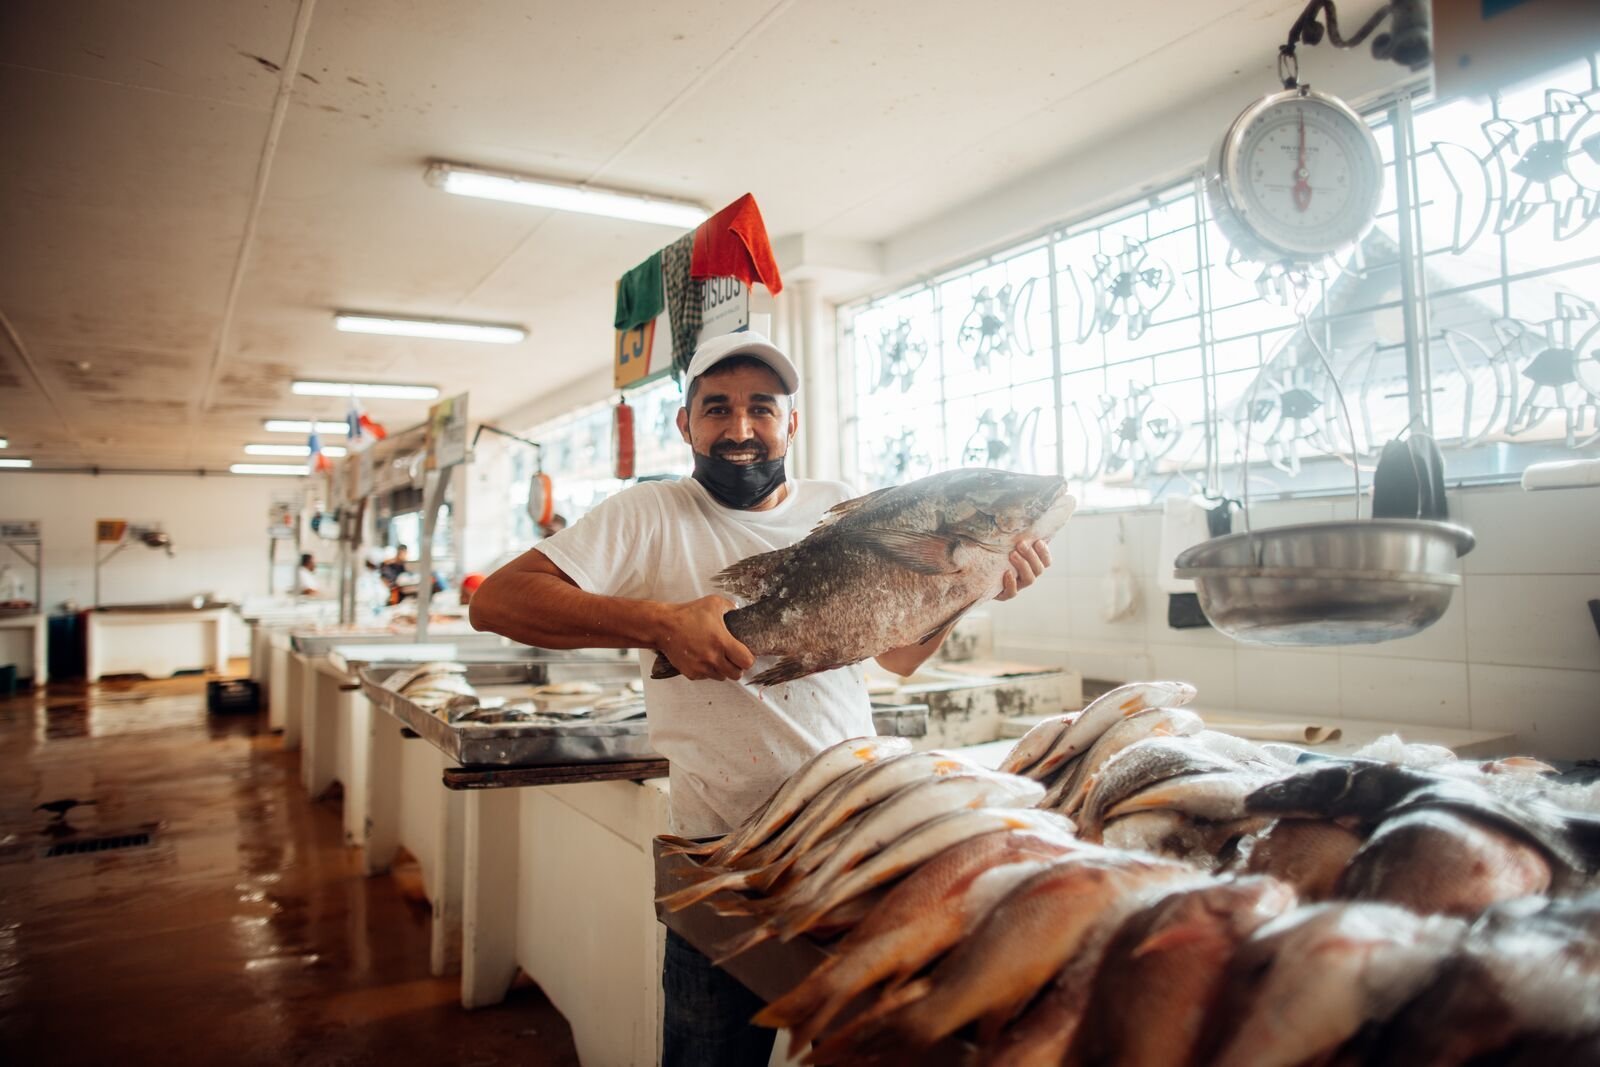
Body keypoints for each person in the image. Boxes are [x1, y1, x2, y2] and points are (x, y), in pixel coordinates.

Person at [468, 331, 1051, 1066]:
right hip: (722, 852)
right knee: (710, 1054)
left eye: (761, 408)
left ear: (790, 423)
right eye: (717, 408)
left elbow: (900, 655)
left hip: (854, 836)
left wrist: (966, 589)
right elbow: (497, 603)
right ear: (685, 424)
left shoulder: (839, 505)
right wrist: (658, 621)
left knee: (858, 1049)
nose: (740, 429)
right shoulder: (644, 513)